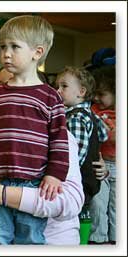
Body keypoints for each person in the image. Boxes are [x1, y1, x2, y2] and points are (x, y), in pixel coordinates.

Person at [0, 15, 69, 245]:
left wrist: (55, 174)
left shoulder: (49, 96)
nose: (6, 53)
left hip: (33, 184)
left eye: (14, 46)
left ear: (37, 52)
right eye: (3, 47)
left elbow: (59, 140)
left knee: (31, 240)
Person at [56, 66, 108, 206]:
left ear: (81, 91)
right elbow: (103, 135)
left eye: (64, 86)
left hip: (79, 182)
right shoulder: (89, 113)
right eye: (58, 86)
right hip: (91, 181)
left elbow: (76, 156)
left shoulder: (75, 118)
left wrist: (59, 175)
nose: (58, 90)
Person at [88, 64, 116, 244]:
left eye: (102, 94)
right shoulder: (94, 110)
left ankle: (116, 241)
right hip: (100, 163)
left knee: (116, 207)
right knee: (98, 203)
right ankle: (98, 240)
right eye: (95, 94)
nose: (96, 98)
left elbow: (113, 138)